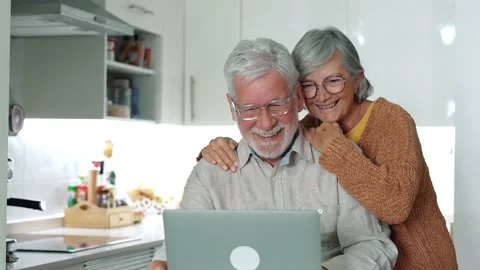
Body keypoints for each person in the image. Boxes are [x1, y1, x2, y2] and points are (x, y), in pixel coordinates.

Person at [198, 27, 458, 270]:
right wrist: (219, 149)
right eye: (310, 85)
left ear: (357, 80)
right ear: (298, 91)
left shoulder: (392, 120)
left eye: (334, 81)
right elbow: (266, 139)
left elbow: (395, 207)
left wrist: (338, 149)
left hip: (420, 264)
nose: (322, 95)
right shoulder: (310, 127)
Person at [148, 37, 398, 270]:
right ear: (232, 109)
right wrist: (164, 261)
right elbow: (185, 243)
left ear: (298, 98)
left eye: (277, 104)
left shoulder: (338, 159)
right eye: (249, 109)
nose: (266, 123)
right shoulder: (209, 174)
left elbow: (373, 245)